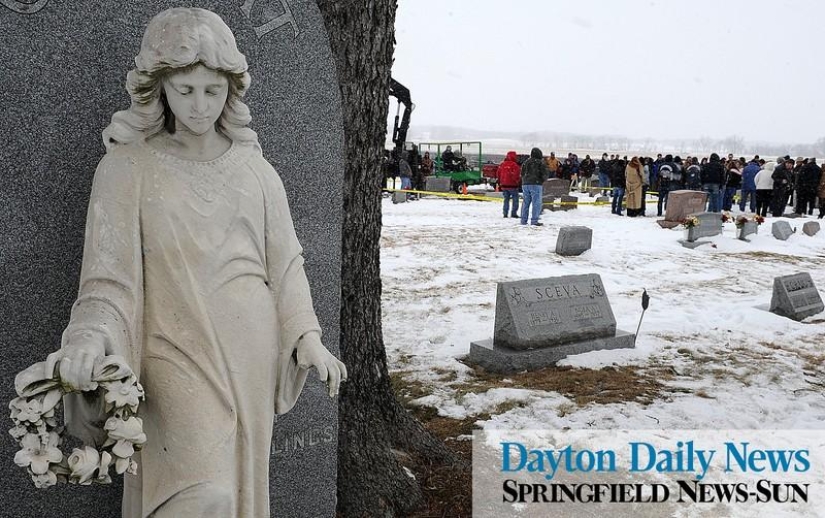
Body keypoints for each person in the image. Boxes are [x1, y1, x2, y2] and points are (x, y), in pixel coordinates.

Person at [48, 9, 346, 517]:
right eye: (185, 90)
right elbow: (107, 278)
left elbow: (286, 262)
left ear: (232, 89)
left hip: (249, 348)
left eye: (213, 90)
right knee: (201, 495)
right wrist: (88, 338)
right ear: (158, 87)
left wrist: (306, 335)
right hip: (171, 349)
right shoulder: (126, 169)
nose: (200, 105)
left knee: (235, 494)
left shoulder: (257, 171)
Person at [520, 147, 550, 226]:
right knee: (536, 203)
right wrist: (541, 180)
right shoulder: (540, 162)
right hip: (536, 184)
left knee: (525, 203)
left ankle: (523, 220)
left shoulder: (525, 162)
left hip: (525, 184)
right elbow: (545, 174)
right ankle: (534, 220)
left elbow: (522, 173)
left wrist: (525, 180)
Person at [498, 151, 521, 218]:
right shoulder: (515, 165)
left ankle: (505, 213)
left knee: (506, 200)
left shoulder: (502, 164)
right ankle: (513, 213)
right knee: (515, 200)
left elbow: (498, 174)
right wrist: (517, 181)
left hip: (504, 186)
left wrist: (500, 182)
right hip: (513, 186)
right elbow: (516, 175)